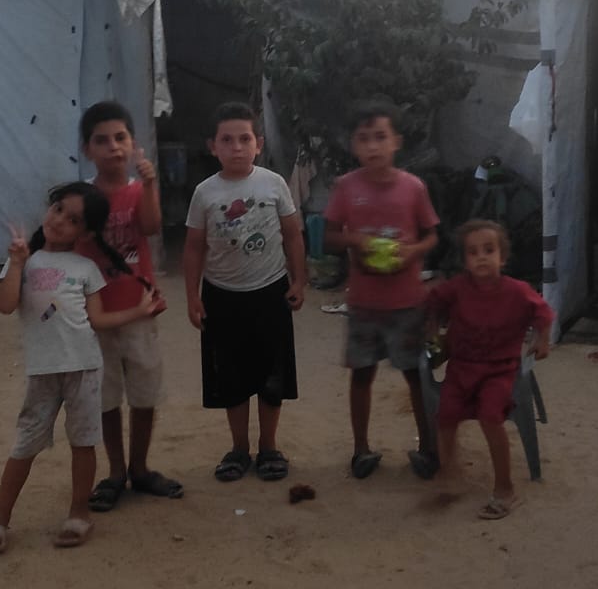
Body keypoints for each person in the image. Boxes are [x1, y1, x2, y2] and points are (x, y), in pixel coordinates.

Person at [0, 182, 165, 556]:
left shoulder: (85, 267)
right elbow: (5, 304)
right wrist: (15, 263)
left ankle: (79, 513)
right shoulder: (24, 260)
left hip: (84, 367)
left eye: (73, 219)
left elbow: (97, 319)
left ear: (88, 233)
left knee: (83, 443)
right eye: (58, 209)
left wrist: (139, 312)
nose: (60, 220)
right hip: (42, 372)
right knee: (24, 445)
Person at [182, 102, 307, 483]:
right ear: (212, 146)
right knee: (232, 378)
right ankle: (239, 449)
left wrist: (299, 280)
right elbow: (193, 247)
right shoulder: (205, 192)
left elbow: (291, 234)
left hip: (270, 292)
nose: (236, 147)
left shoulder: (273, 183)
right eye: (227, 140)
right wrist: (193, 296)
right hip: (222, 297)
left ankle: (269, 447)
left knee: (272, 377)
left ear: (259, 143)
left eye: (244, 139)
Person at [323, 102, 440, 479]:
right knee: (362, 374)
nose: (373, 146)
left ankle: (427, 447)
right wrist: (354, 238)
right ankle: (361, 450)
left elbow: (432, 236)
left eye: (380, 137)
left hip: (407, 302)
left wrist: (412, 252)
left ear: (396, 142)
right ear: (353, 146)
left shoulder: (413, 188)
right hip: (363, 304)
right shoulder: (346, 188)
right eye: (363, 139)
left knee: (414, 376)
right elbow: (327, 238)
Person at [76, 101, 183, 512]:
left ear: (133, 143)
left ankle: (139, 468)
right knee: (105, 399)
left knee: (143, 395)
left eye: (120, 138)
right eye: (101, 141)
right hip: (96, 317)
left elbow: (153, 228)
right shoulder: (81, 198)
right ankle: (116, 472)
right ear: (87, 149)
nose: (112, 147)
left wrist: (151, 185)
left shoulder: (139, 190)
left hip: (141, 310)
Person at [425, 220, 553, 520]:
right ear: (465, 260)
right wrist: (431, 326)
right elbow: (432, 302)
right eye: (473, 252)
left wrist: (541, 339)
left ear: (502, 257)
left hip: (499, 369)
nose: (481, 257)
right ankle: (450, 472)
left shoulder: (517, 291)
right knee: (444, 416)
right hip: (461, 368)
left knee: (490, 417)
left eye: (489, 250)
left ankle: (505, 487)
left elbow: (543, 312)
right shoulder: (457, 288)